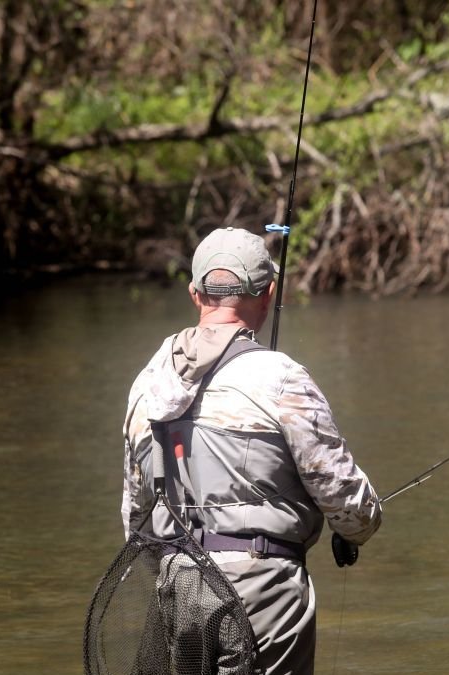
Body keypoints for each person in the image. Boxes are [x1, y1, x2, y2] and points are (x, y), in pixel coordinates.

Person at [121, 226, 382, 675]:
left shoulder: (147, 383)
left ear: (194, 293)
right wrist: (357, 528)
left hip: (178, 591)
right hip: (262, 597)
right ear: (269, 293)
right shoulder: (280, 377)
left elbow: (136, 520)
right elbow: (344, 500)